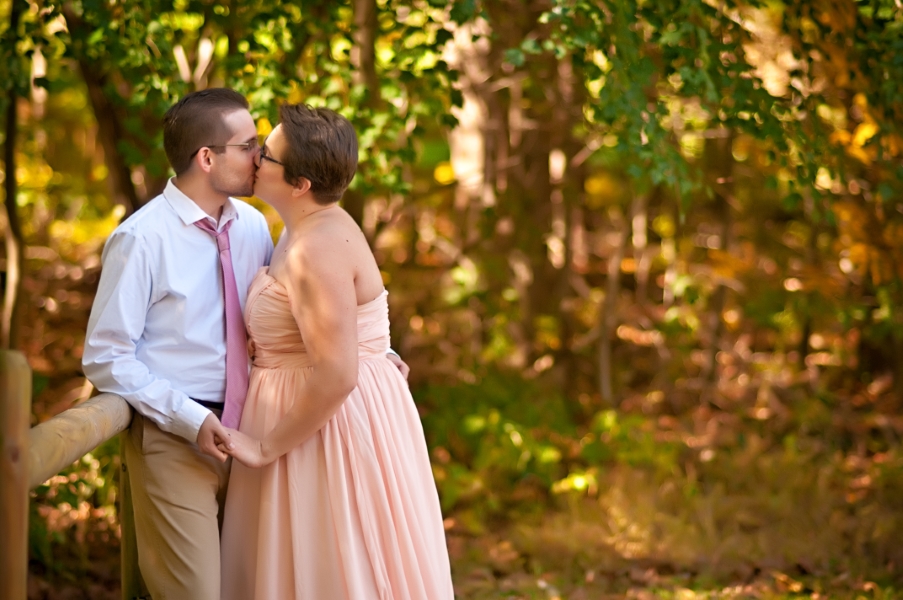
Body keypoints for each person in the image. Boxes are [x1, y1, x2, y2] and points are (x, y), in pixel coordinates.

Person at [219, 104, 454, 599]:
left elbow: (336, 373)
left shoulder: (315, 248)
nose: (256, 159)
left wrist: (264, 447)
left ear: (300, 184)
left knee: (335, 565)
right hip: (312, 418)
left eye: (267, 154)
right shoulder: (303, 228)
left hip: (322, 434)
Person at [83, 88, 272, 600]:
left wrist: (372, 352)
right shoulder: (142, 238)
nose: (263, 155)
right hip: (175, 441)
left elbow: (289, 314)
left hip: (253, 438)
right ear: (207, 158)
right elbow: (106, 356)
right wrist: (192, 419)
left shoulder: (254, 225)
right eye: (249, 144)